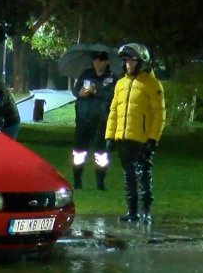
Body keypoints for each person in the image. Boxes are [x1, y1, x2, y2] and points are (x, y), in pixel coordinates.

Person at [105, 43, 165, 224]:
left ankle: (145, 211)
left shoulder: (151, 83)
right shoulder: (121, 83)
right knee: (128, 175)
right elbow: (114, 111)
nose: (128, 64)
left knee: (143, 175)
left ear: (141, 62)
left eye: (132, 60)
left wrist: (153, 138)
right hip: (124, 138)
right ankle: (132, 212)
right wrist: (109, 136)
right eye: (126, 61)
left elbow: (159, 114)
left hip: (142, 138)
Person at [71, 50, 117, 190]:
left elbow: (112, 96)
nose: (97, 62)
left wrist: (96, 91)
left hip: (102, 122)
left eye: (101, 60)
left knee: (101, 154)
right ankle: (77, 181)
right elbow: (76, 91)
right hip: (83, 120)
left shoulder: (112, 77)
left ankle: (100, 183)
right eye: (95, 59)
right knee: (79, 152)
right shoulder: (86, 74)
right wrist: (83, 93)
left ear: (106, 61)